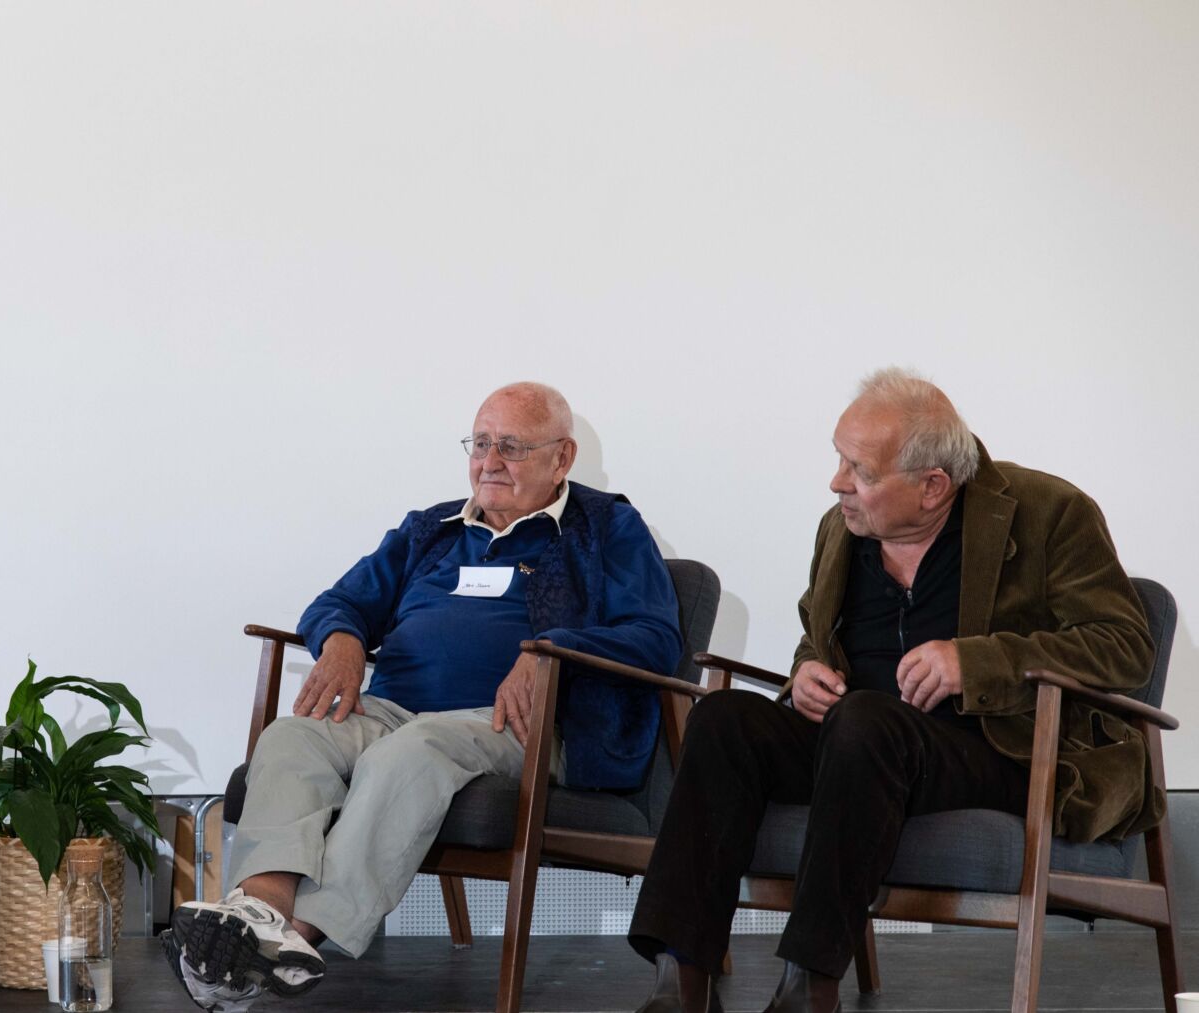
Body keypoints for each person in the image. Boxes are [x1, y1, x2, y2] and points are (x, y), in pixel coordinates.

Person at [626, 368, 1160, 1013]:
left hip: (996, 747)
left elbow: (1126, 647)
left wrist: (982, 661)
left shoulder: (1048, 511)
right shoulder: (841, 527)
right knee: (723, 718)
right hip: (860, 744)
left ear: (933, 486)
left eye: (860, 470)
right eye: (838, 459)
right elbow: (817, 638)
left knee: (867, 722)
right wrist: (807, 675)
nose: (837, 482)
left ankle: (809, 985)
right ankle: (680, 981)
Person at [163, 382, 683, 1012]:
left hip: (521, 724)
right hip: (392, 710)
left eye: (511, 447)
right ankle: (259, 912)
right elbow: (338, 602)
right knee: (294, 737)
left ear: (562, 458)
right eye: (481, 443)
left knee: (413, 749)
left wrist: (547, 649)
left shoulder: (607, 528)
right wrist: (345, 639)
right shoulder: (430, 530)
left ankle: (297, 940)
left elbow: (654, 638)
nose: (489, 461)